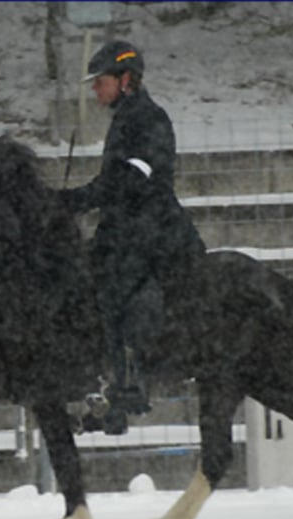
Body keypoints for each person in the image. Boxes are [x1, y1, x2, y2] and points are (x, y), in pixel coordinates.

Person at [61, 40, 206, 432]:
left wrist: (76, 201)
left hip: (154, 232)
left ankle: (128, 388)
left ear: (126, 80)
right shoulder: (126, 118)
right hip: (126, 230)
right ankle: (98, 384)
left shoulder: (148, 119)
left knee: (114, 289)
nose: (95, 90)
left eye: (101, 81)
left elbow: (128, 179)